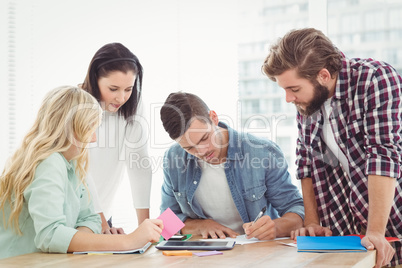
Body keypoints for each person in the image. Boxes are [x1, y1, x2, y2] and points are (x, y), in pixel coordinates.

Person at [262, 28, 402, 267]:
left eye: (294, 89)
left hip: (393, 218)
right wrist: (312, 222)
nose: (288, 99)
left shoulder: (375, 79)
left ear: (324, 75)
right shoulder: (309, 101)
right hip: (346, 230)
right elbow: (306, 161)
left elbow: (383, 156)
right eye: (284, 89)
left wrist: (376, 230)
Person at [0, 86, 163, 259]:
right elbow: (50, 235)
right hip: (17, 261)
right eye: (89, 129)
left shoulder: (73, 164)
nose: (93, 138)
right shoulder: (49, 163)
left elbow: (91, 220)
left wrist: (72, 237)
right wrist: (129, 241)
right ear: (70, 128)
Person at [159, 92, 304, 240]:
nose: (202, 151)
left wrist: (276, 227)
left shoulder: (262, 153)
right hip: (204, 255)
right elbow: (165, 222)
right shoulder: (173, 159)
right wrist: (200, 226)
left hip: (256, 252)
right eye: (190, 148)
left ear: (213, 118)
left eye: (205, 138)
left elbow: (297, 210)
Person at [81, 43, 152, 234]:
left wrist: (144, 227)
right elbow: (81, 171)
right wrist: (100, 223)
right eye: (113, 89)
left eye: (128, 89)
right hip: (77, 215)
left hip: (104, 213)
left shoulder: (133, 106)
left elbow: (138, 163)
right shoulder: (76, 104)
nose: (121, 98)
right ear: (95, 79)